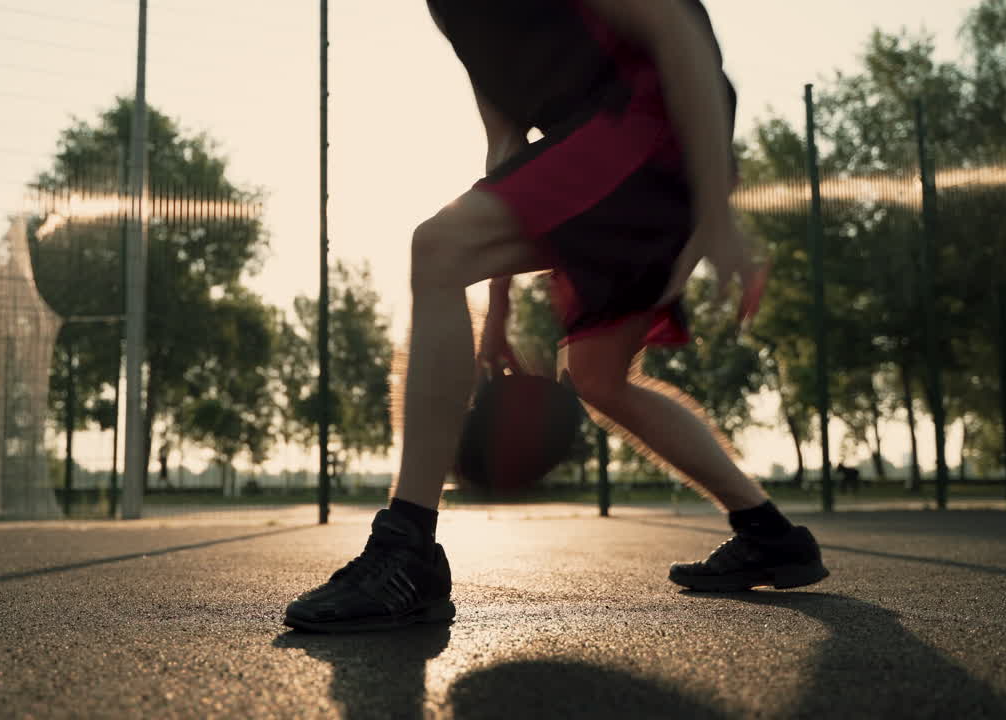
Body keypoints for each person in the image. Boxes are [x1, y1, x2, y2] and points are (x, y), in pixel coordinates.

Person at [284, 0, 828, 633]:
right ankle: (769, 533)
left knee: (436, 247)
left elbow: (677, 30)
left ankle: (406, 552)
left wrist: (717, 216)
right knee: (598, 378)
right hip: (612, 150)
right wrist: (497, 309)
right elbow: (507, 147)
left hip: (656, 129)